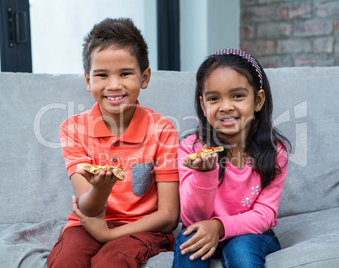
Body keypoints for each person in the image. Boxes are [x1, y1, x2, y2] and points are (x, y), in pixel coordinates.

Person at [47, 18, 180, 268]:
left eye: (125, 73)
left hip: (144, 228)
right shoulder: (73, 128)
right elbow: (87, 207)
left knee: (112, 261)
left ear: (145, 77)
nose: (114, 84)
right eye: (102, 75)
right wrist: (100, 188)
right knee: (66, 261)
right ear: (88, 81)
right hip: (87, 222)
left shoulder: (162, 129)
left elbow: (169, 216)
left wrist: (108, 235)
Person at [172, 48, 290, 268]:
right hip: (204, 228)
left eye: (237, 96)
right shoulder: (190, 150)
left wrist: (220, 226)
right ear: (204, 105)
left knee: (240, 249)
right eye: (214, 98)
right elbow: (191, 219)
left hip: (253, 234)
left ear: (258, 100)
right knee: (189, 240)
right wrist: (204, 175)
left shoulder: (275, 152)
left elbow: (264, 214)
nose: (226, 106)